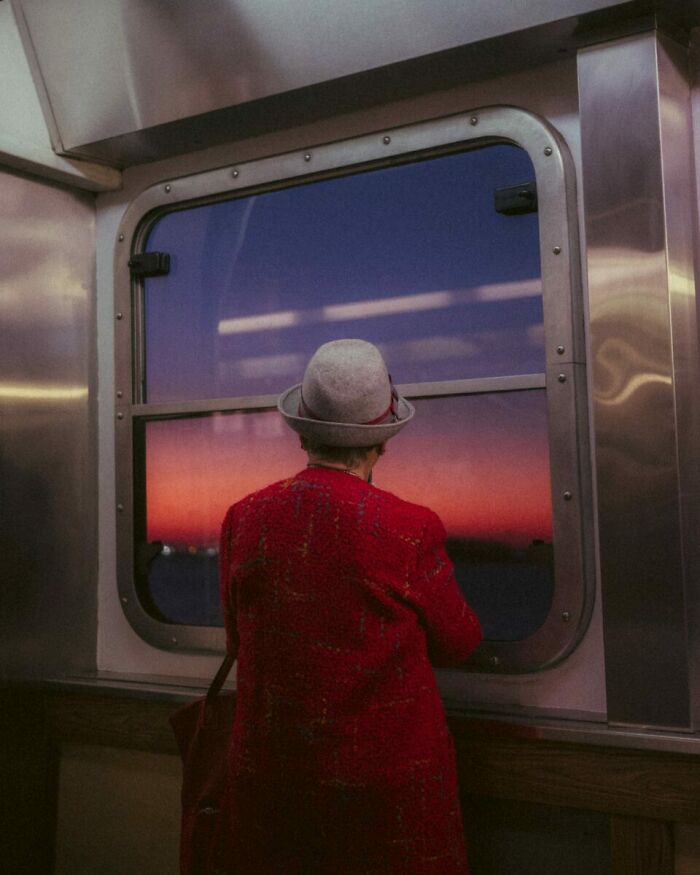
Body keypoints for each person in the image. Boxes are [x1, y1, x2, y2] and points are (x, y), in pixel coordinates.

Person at [218, 338, 482, 874]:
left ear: (303, 431)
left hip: (270, 788)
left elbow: (239, 640)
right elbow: (460, 643)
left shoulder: (243, 518)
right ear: (381, 442)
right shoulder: (410, 529)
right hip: (384, 799)